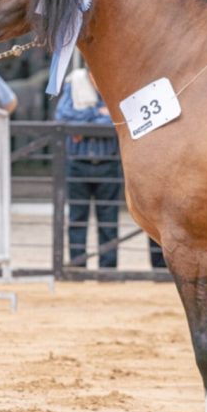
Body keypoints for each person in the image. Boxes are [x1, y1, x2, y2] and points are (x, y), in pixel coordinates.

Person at [56, 69, 121, 269]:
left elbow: (120, 118)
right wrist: (97, 113)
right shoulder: (74, 82)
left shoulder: (114, 79)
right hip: (78, 162)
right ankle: (77, 266)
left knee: (109, 222)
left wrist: (82, 125)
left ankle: (108, 270)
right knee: (77, 219)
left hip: (108, 162)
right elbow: (62, 116)